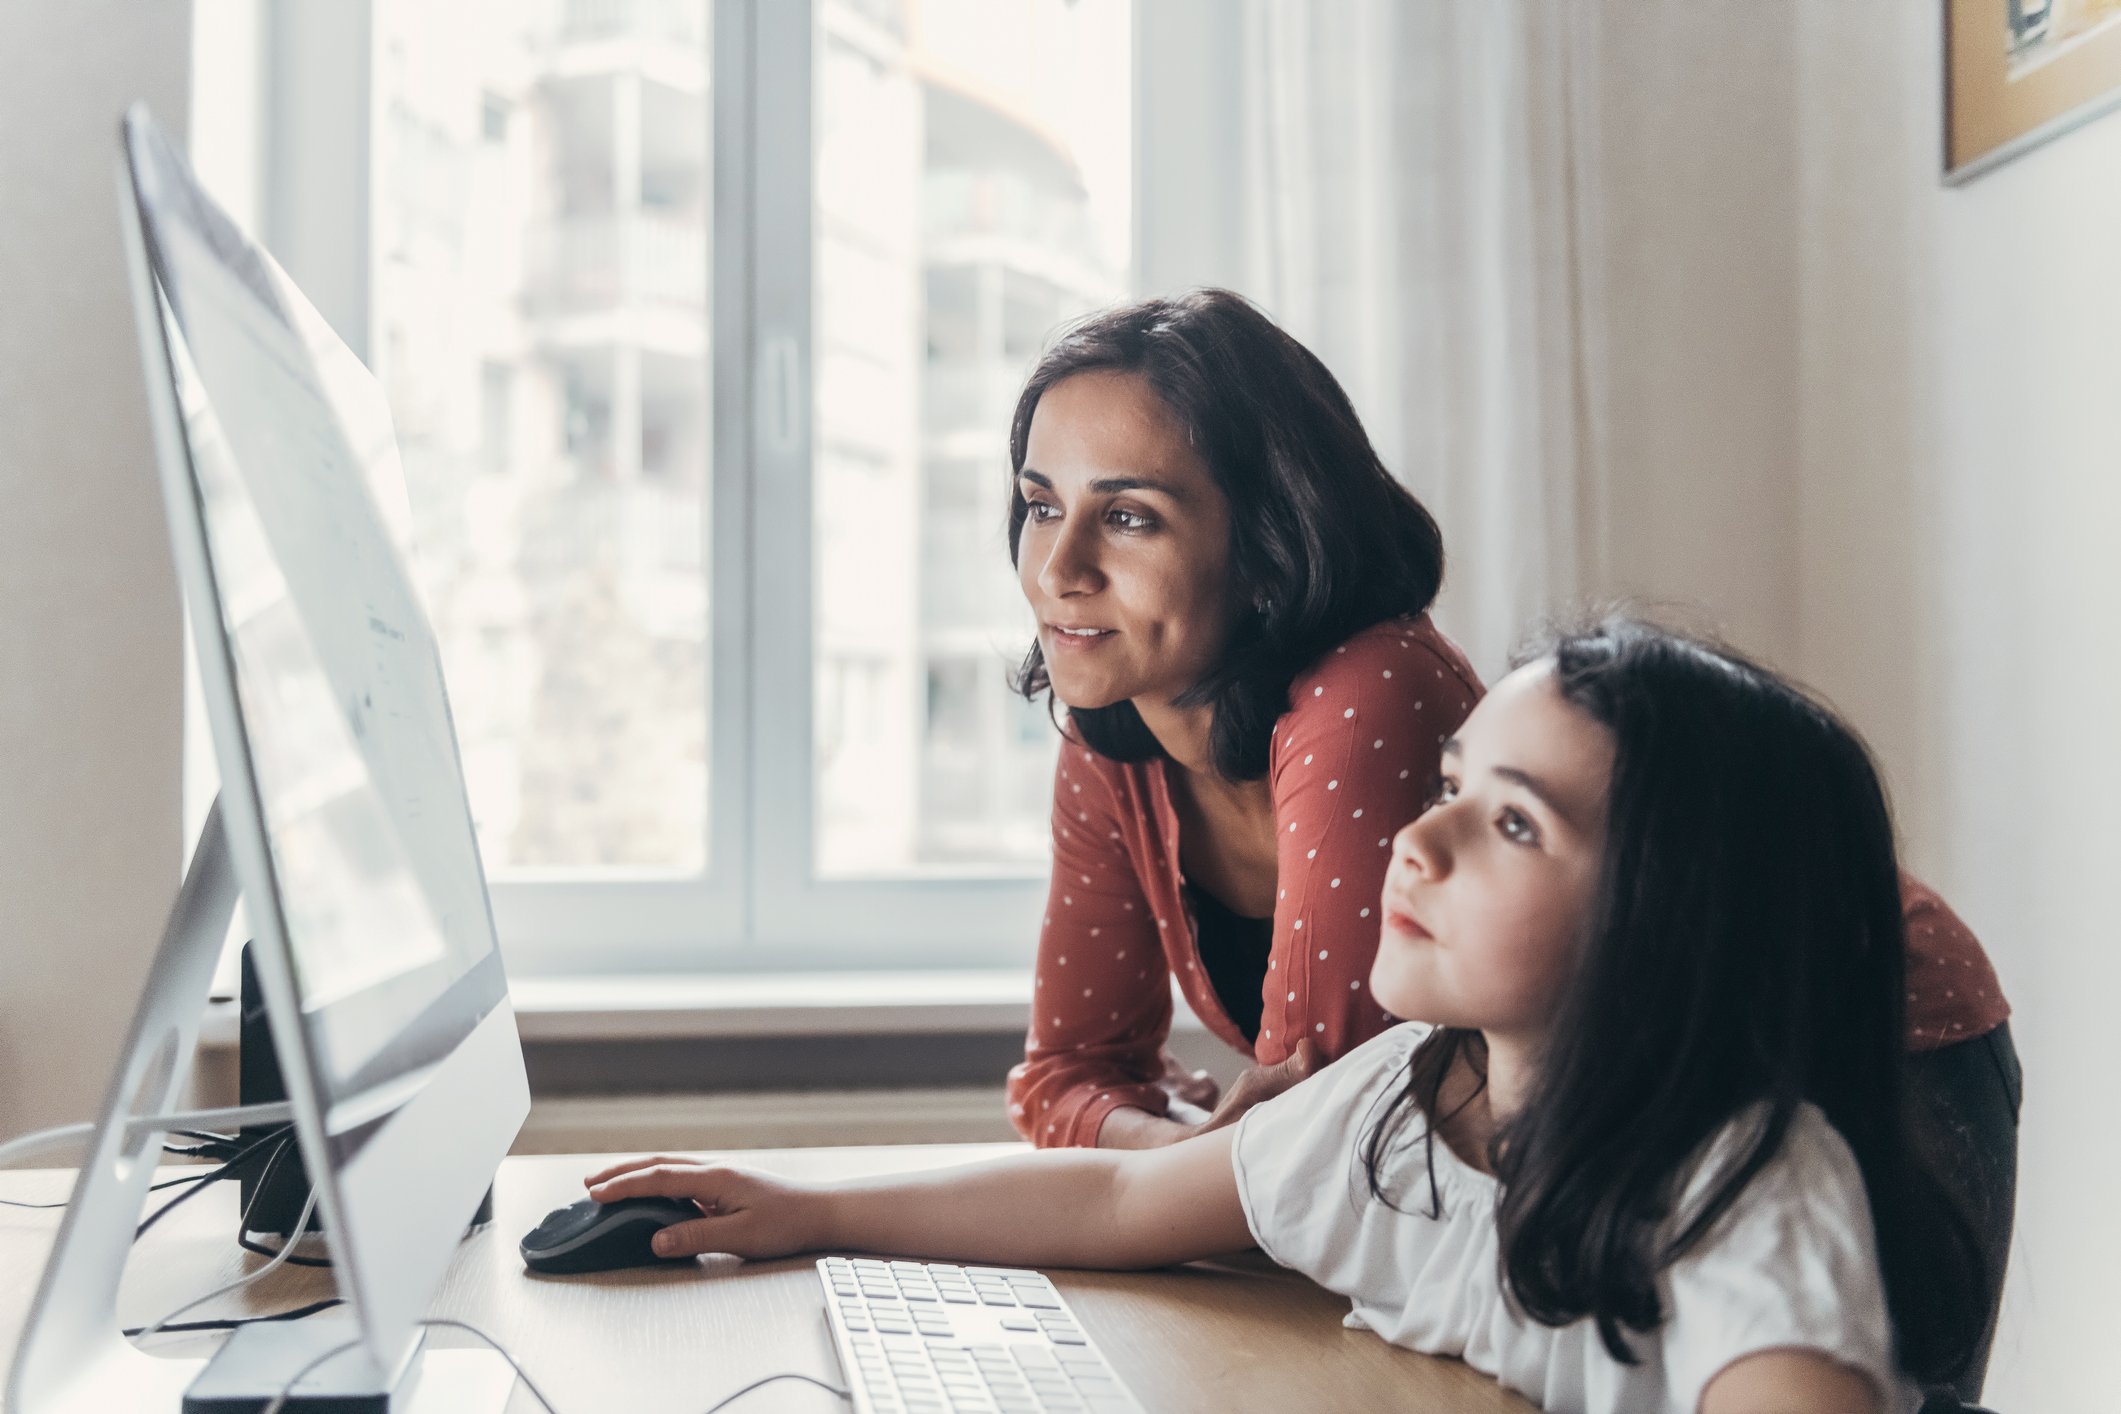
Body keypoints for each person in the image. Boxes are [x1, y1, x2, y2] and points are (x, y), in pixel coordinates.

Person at [996, 292, 2017, 1395]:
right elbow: (1073, 1082)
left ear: (1266, 538)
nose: (1059, 569)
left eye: (1131, 516)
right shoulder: (1112, 729)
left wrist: (1198, 1159)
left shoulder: (1366, 698)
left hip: (1835, 1018)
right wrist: (1187, 1160)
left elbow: (1319, 1141)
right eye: (1039, 505)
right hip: (1582, 1091)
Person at [585, 620, 1988, 1414]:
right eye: (1451, 781)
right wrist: (812, 1208)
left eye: (1511, 819)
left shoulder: (1740, 1178)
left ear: (1673, 915)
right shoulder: (1404, 1100)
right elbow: (1117, 1210)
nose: (1419, 839)